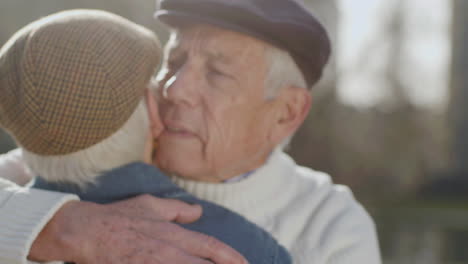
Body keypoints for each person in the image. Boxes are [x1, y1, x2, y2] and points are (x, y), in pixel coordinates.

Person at [0, 0, 382, 263]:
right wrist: (59, 226)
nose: (173, 89)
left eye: (216, 72)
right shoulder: (80, 153)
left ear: (286, 113)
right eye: (174, 61)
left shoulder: (332, 225)